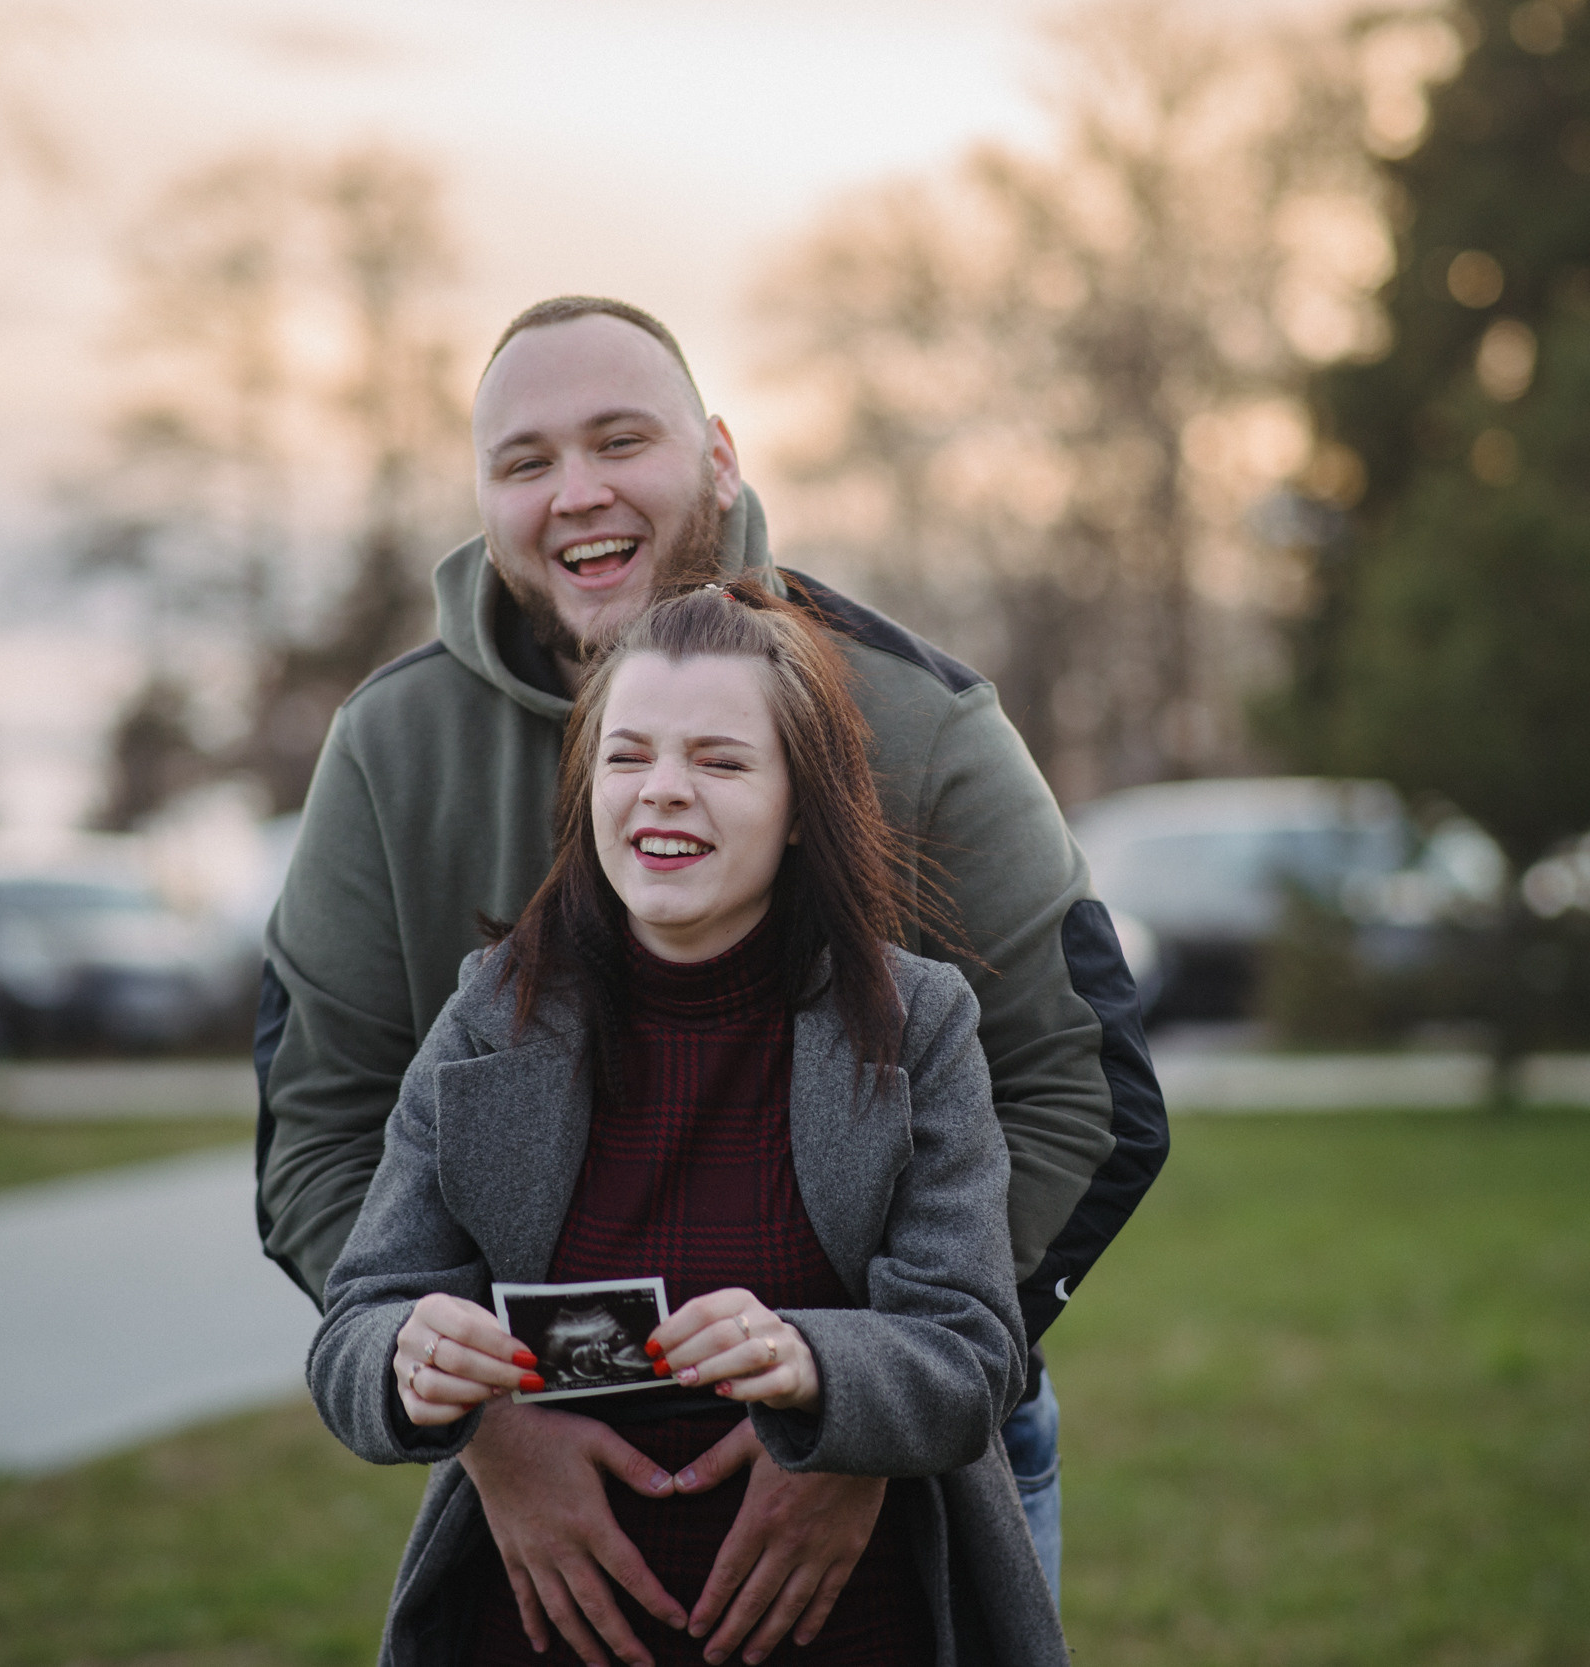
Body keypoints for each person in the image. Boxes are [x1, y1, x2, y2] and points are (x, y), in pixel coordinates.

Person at [257, 296, 1166, 1665]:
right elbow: (322, 1130)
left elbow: (1086, 1092)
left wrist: (859, 1415)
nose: (578, 492)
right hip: (536, 1490)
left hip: (904, 1482)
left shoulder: (920, 717)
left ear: (721, 459)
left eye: (621, 440)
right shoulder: (389, 746)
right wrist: (487, 1422)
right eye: (525, 460)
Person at [309, 584, 1066, 1667]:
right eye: (627, 756)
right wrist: (404, 1356)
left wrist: (809, 1356)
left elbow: (971, 1354)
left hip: (849, 1627)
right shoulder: (488, 1015)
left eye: (720, 760)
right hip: (537, 1631)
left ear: (799, 805)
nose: (663, 789)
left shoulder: (915, 1022)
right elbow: (354, 1324)